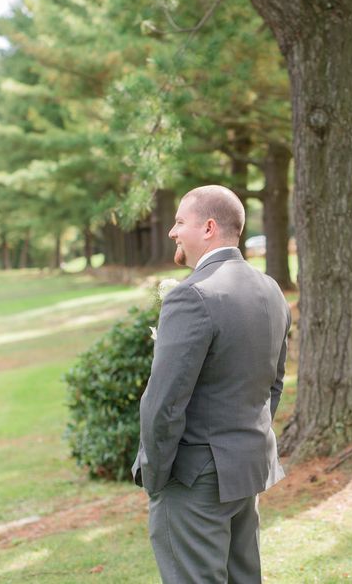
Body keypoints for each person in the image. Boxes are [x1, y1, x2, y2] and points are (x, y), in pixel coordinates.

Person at [132, 185, 291, 583]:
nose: (172, 232)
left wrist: (155, 476)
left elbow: (163, 404)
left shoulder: (192, 296)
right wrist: (240, 441)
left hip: (192, 478)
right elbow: (274, 383)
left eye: (179, 222)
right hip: (245, 469)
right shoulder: (270, 289)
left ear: (207, 227)